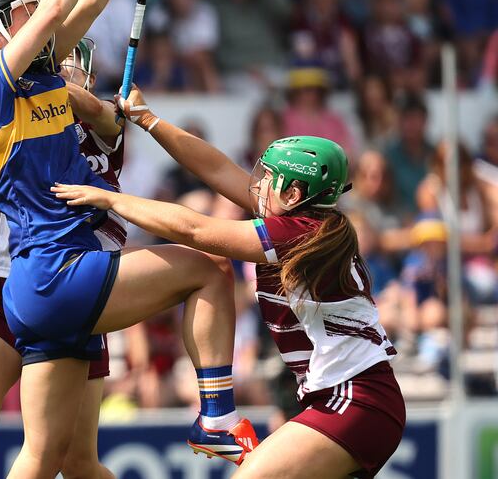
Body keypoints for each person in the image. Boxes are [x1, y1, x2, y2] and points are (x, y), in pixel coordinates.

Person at [0, 0, 258, 477]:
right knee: (208, 269)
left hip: (47, 285)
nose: (38, 16)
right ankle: (217, 416)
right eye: (22, 13)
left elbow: (86, 4)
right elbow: (51, 10)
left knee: (51, 459)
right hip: (53, 272)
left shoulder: (40, 83)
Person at [53, 86, 406, 478]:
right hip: (354, 401)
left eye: (268, 178)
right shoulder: (305, 217)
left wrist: (113, 199)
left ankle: (217, 416)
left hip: (355, 400)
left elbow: (194, 229)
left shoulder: (301, 232)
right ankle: (216, 416)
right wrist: (150, 121)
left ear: (293, 193)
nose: (256, 184)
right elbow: (217, 168)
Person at [0, 40, 128, 479]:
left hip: (79, 291)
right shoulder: (18, 116)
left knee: (76, 462)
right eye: (54, 66)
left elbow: (96, 109)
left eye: (71, 69)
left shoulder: (104, 128)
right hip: (7, 282)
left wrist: (43, 81)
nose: (62, 74)